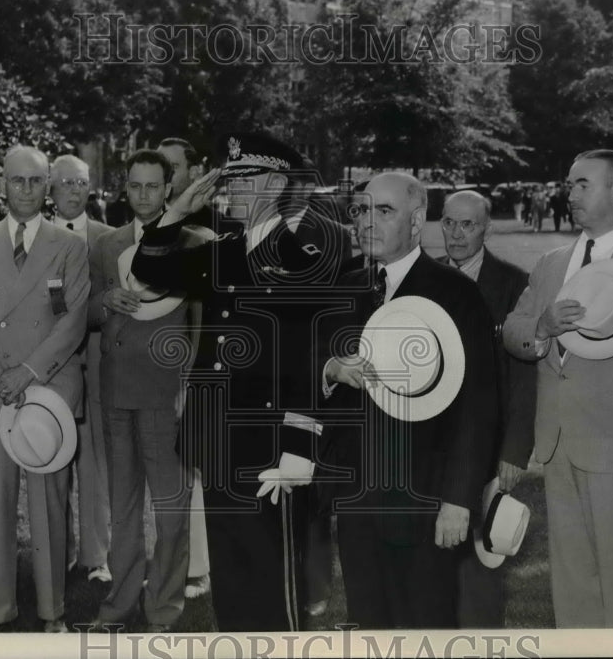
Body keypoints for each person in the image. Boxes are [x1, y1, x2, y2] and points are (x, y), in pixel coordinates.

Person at [131, 132, 344, 631]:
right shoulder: (223, 249)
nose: (227, 190)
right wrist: (178, 209)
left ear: (274, 183)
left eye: (241, 179)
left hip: (272, 449)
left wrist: (299, 446)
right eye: (227, 179)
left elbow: (310, 355)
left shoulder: (304, 254)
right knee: (232, 584)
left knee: (275, 589)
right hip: (218, 442)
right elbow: (147, 267)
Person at [319, 173, 499, 629]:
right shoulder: (342, 287)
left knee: (427, 627)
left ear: (417, 221)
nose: (366, 222)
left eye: (384, 211)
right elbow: (309, 373)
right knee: (369, 625)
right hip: (358, 499)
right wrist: (329, 369)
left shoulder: (456, 292)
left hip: (428, 498)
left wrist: (458, 499)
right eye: (360, 210)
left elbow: (479, 406)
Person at [503, 150, 613, 627]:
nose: (569, 194)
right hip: (557, 447)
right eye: (569, 185)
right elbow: (513, 331)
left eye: (582, 185)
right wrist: (543, 324)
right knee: (572, 590)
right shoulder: (551, 263)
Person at [0, 145, 89, 633]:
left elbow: (72, 322)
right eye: (17, 180)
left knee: (50, 506)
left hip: (48, 391)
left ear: (49, 186)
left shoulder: (69, 247)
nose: (27, 190)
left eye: (36, 181)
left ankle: (53, 612)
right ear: (1, 185)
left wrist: (27, 373)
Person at [89, 149, 210, 631]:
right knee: (122, 508)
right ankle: (117, 605)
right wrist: (104, 300)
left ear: (168, 188)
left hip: (167, 396)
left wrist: (190, 389)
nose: (143, 195)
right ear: (125, 188)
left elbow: (201, 329)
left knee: (171, 511)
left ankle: (163, 607)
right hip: (116, 390)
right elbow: (85, 314)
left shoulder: (195, 241)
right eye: (135, 186)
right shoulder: (106, 244)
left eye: (152, 186)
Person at [437, 190, 536, 627]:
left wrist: (515, 449)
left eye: (468, 225)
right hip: (434, 444)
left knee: (481, 561)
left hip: (489, 443)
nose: (457, 234)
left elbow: (524, 377)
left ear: (487, 228)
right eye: (449, 223)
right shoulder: (427, 279)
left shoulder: (514, 283)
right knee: (436, 561)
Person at [280, 158, 354, 618]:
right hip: (260, 379)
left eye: (299, 182)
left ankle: (315, 588)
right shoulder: (246, 231)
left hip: (313, 376)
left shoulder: (334, 235)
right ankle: (274, 578)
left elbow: (342, 308)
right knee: (265, 485)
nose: (292, 190)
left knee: (311, 491)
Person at [50, 155, 113, 584]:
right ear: (50, 188)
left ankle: (96, 558)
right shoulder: (35, 238)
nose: (75, 190)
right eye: (67, 182)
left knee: (96, 465)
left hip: (100, 365)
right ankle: (56, 555)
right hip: (52, 368)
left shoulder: (111, 239)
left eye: (82, 182)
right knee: (53, 465)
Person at [155, 135, 212, 601]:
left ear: (193, 171)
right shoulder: (145, 221)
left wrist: (189, 378)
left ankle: (197, 564)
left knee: (191, 462)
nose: (168, 176)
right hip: (146, 363)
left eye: (174, 167)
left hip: (194, 362)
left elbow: (200, 314)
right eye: (161, 167)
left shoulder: (209, 227)